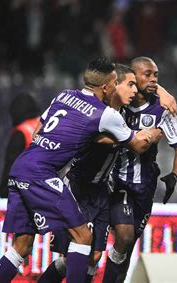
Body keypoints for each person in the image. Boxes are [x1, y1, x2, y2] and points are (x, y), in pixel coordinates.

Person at [0, 58, 162, 283]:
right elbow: (138, 145)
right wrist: (154, 133)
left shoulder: (63, 95)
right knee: (82, 237)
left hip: (22, 167)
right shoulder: (105, 114)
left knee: (21, 246)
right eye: (119, 83)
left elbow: (38, 132)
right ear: (107, 87)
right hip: (44, 174)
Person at [37, 64, 144, 283]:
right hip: (80, 188)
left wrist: (162, 92)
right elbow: (136, 144)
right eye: (129, 84)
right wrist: (144, 136)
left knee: (94, 256)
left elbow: (148, 81)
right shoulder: (97, 112)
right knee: (74, 257)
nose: (135, 91)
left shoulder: (122, 111)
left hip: (101, 190)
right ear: (113, 86)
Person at [103, 56, 177, 283]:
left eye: (156, 75)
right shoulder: (116, 102)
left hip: (145, 185)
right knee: (124, 235)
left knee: (127, 246)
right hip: (118, 182)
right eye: (147, 75)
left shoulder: (162, 109)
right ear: (132, 77)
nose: (153, 79)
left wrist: (174, 176)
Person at [0, 93, 40, 197]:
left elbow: (11, 166)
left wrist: (4, 191)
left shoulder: (22, 133)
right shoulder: (46, 125)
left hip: (28, 193)